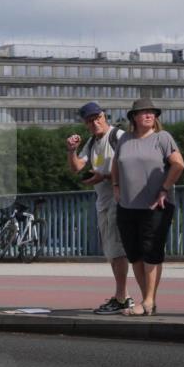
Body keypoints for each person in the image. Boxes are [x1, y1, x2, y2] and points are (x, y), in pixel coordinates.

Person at [111, 99, 184, 316]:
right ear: (134, 117)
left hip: (155, 206)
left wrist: (164, 189)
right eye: (143, 112)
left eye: (151, 112)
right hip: (127, 206)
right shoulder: (125, 138)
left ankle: (149, 300)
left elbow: (178, 164)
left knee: (152, 253)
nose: (148, 115)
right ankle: (146, 300)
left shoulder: (162, 138)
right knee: (135, 255)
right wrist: (116, 185)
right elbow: (116, 163)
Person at [67, 102, 130, 314]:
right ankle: (123, 295)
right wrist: (71, 151)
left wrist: (104, 176)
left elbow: (130, 166)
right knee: (111, 251)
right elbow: (77, 167)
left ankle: (122, 297)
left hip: (118, 199)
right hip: (102, 201)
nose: (95, 123)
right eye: (89, 121)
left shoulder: (118, 136)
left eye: (97, 118)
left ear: (104, 116)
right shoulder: (93, 142)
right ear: (85, 124)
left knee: (118, 250)